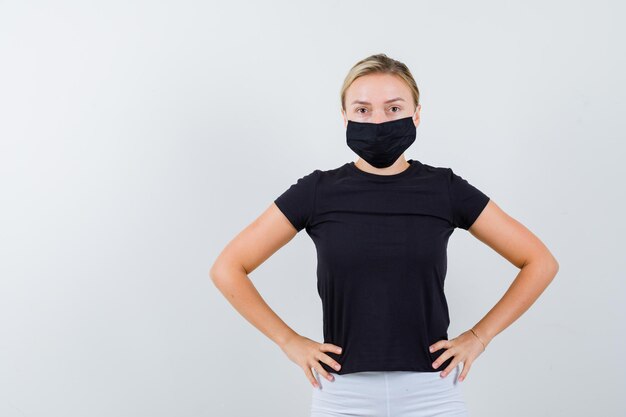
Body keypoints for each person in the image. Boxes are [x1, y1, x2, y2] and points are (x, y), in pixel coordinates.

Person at [210, 53, 559, 417]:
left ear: (417, 114)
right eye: (363, 110)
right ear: (344, 117)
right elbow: (228, 267)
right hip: (342, 394)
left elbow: (539, 262)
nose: (378, 121)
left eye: (393, 109)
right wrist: (288, 341)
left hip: (432, 392)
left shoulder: (445, 189)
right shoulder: (317, 192)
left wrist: (479, 337)